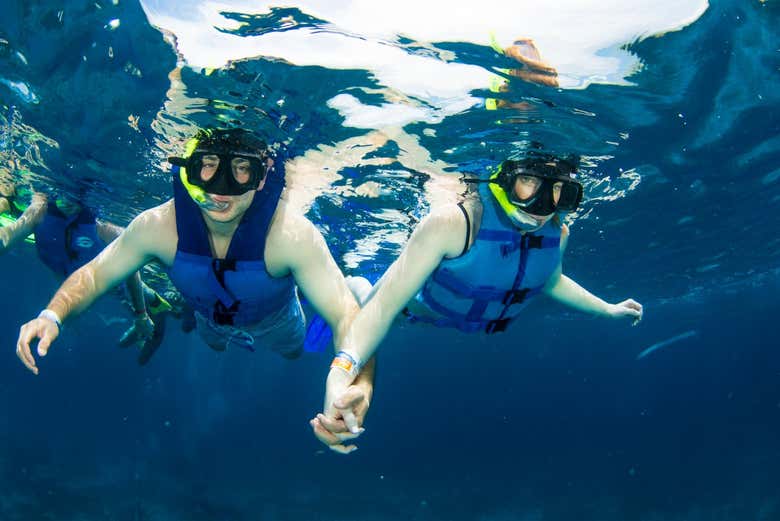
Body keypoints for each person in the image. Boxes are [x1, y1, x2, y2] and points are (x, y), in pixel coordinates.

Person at [15, 127, 374, 454]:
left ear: (262, 178)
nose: (221, 187)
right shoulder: (158, 226)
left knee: (295, 351)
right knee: (215, 344)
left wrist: (357, 382)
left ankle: (317, 300)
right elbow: (94, 274)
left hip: (277, 319)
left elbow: (347, 315)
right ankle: (228, 327)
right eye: (209, 164)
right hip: (209, 319)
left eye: (241, 169)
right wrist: (53, 314)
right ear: (188, 169)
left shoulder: (290, 235)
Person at [313, 152, 643, 434]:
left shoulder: (558, 232)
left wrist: (607, 309)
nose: (544, 205)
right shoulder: (454, 223)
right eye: (531, 182)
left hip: (464, 320)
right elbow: (383, 309)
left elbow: (552, 281)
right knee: (367, 301)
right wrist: (341, 373)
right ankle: (356, 284)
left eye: (560, 191)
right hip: (413, 309)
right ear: (505, 177)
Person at [1, 185, 170, 364]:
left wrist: (141, 314)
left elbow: (132, 269)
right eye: (60, 195)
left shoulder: (102, 227)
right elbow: (9, 235)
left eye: (74, 197)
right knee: (120, 301)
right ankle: (147, 321)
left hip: (109, 282)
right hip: (74, 286)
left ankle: (158, 310)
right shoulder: (39, 213)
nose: (66, 201)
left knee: (133, 294)